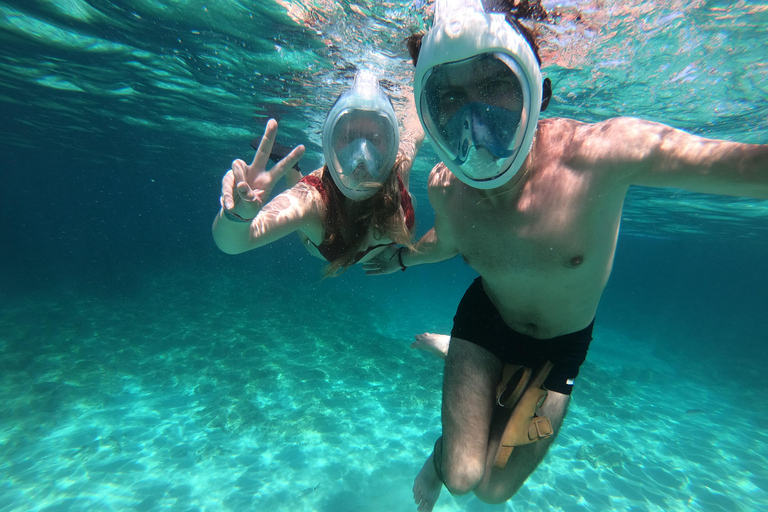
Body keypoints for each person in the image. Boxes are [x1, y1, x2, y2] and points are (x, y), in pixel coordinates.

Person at [362, 0, 768, 510]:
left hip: (560, 347)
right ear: (432, 113)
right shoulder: (450, 193)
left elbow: (732, 167)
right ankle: (453, 412)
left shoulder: (601, 155)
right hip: (487, 320)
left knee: (493, 491)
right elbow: (445, 244)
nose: (475, 120)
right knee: (463, 476)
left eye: (494, 86)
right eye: (452, 98)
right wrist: (401, 260)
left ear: (539, 94)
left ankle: (471, 364)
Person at [212, 70, 424, 276]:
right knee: (304, 217)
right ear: (329, 143)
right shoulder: (312, 201)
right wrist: (237, 216)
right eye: (348, 137)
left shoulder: (399, 164)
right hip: (315, 243)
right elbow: (233, 244)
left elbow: (415, 133)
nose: (362, 153)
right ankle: (292, 169)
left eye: (376, 138)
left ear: (392, 142)